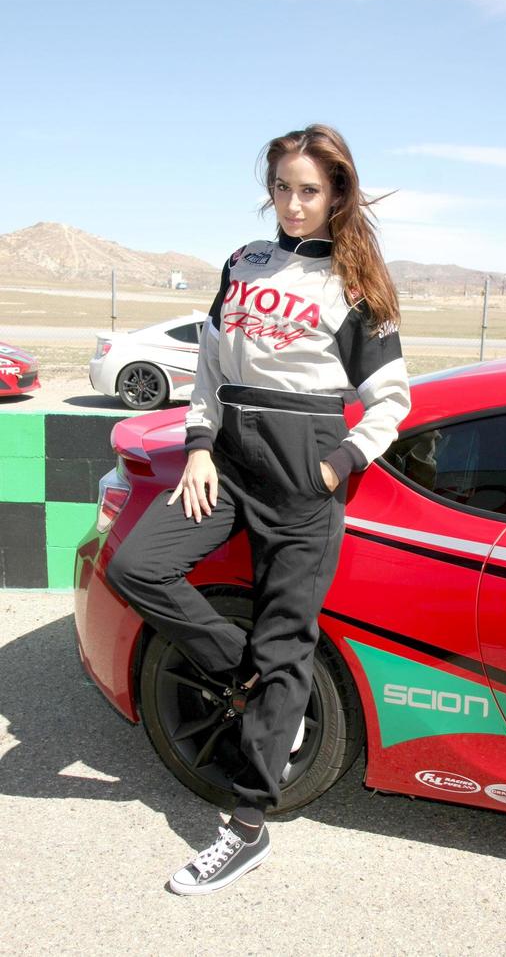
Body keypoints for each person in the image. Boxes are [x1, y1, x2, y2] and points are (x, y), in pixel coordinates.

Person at [106, 124, 411, 895]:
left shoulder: (358, 283)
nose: (294, 203)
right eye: (282, 187)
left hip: (303, 467)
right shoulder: (243, 263)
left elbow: (389, 401)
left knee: (286, 642)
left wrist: (336, 464)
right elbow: (210, 365)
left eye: (310, 190)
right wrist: (201, 445)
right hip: (228, 456)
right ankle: (245, 675)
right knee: (136, 564)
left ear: (337, 192)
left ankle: (244, 829)